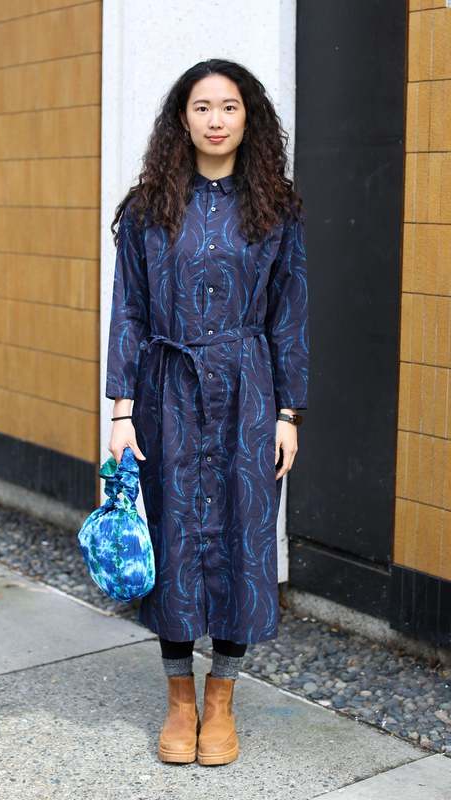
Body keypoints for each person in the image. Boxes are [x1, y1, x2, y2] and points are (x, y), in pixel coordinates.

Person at [105, 58, 309, 766]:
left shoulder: (275, 207)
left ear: (248, 117)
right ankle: (178, 699)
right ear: (181, 118)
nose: (215, 119)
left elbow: (290, 313)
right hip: (165, 390)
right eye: (201, 107)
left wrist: (289, 412)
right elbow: (128, 309)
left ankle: (221, 697)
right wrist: (121, 410)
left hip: (249, 389)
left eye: (229, 107)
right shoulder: (146, 207)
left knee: (242, 539)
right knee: (171, 535)